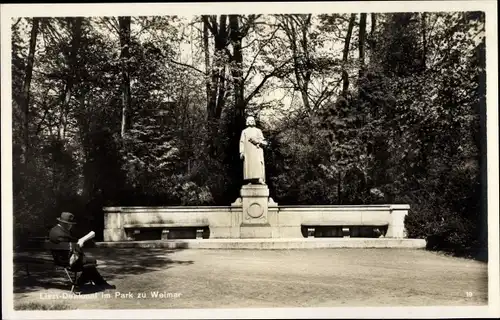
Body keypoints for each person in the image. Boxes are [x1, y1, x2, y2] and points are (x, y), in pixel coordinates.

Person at [49, 212, 115, 289]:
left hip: (60, 258)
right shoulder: (62, 234)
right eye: (69, 224)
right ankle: (82, 282)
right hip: (67, 261)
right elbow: (73, 246)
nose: (71, 226)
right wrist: (81, 242)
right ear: (64, 223)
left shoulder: (54, 230)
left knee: (89, 262)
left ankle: (95, 282)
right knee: (92, 262)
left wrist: (78, 243)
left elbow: (70, 245)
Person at [239, 116, 268, 184]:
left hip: (257, 151)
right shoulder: (244, 131)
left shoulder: (258, 130)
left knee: (258, 164)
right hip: (248, 151)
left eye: (252, 120)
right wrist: (241, 152)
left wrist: (258, 142)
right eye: (250, 120)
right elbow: (242, 142)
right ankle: (251, 180)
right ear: (247, 122)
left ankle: (260, 179)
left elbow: (263, 141)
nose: (251, 121)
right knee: (249, 165)